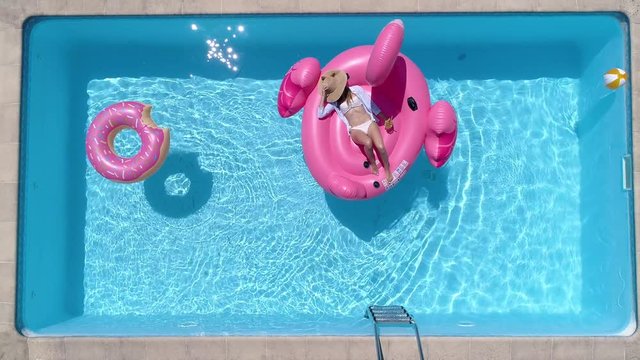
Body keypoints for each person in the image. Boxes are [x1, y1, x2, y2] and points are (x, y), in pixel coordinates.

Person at [317, 70, 394, 184]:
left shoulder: (356, 90)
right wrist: (323, 97)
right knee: (368, 143)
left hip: (369, 122)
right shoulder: (335, 103)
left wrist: (385, 118)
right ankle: (373, 164)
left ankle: (387, 170)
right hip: (355, 129)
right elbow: (320, 114)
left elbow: (371, 105)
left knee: (381, 147)